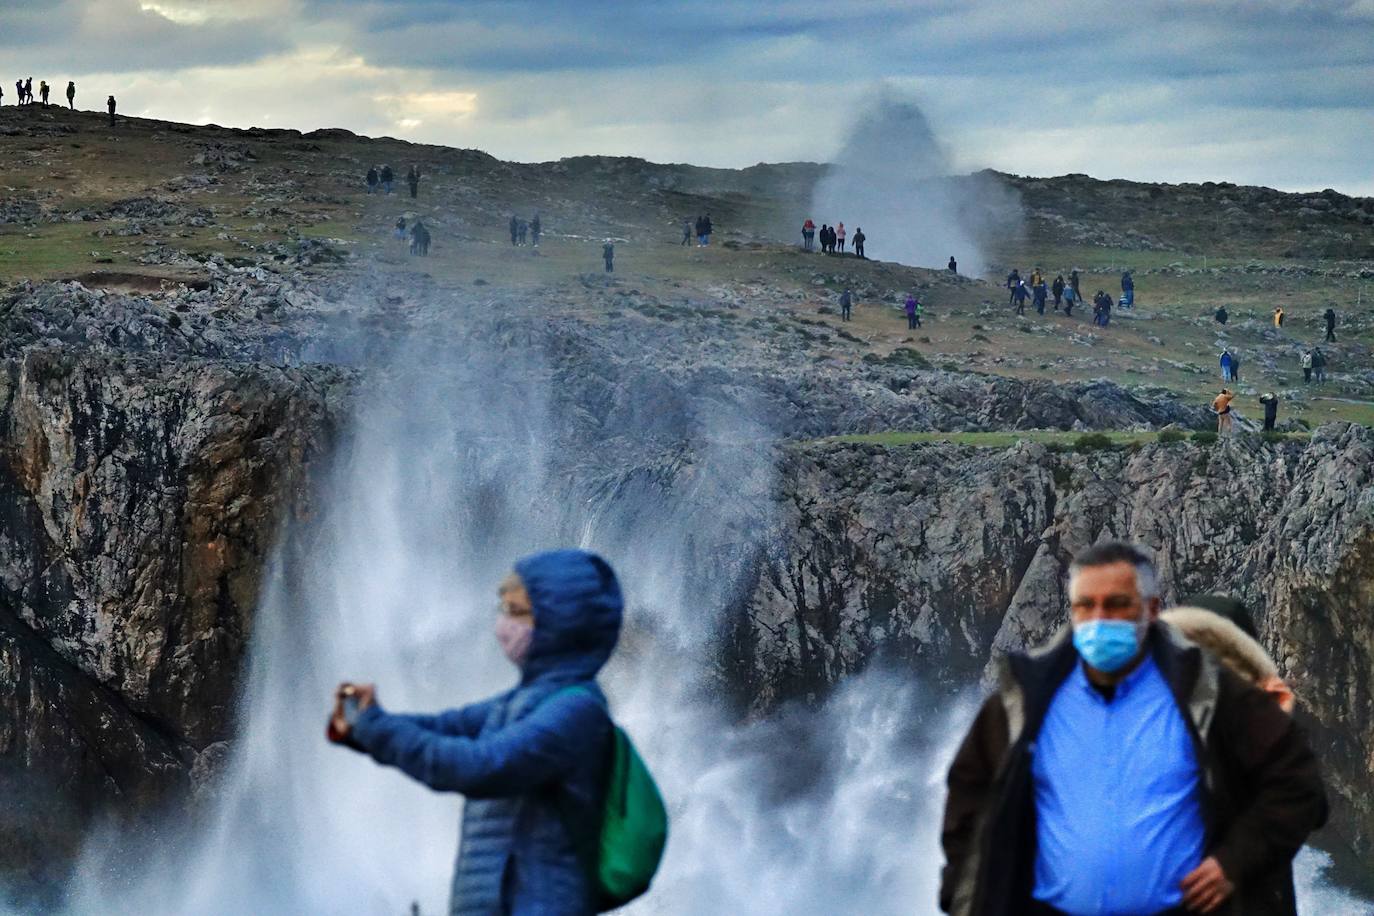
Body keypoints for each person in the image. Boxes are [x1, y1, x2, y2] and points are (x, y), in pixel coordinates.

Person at [940, 541, 1327, 916]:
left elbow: (1305, 801)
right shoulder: (1055, 702)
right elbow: (980, 799)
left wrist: (1278, 725)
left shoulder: (1236, 712)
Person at [329, 550, 627, 916]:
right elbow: (447, 726)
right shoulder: (521, 703)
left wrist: (376, 727)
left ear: (561, 624)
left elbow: (479, 766)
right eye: (503, 609)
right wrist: (363, 724)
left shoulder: (577, 712)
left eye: (517, 612)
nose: (503, 624)